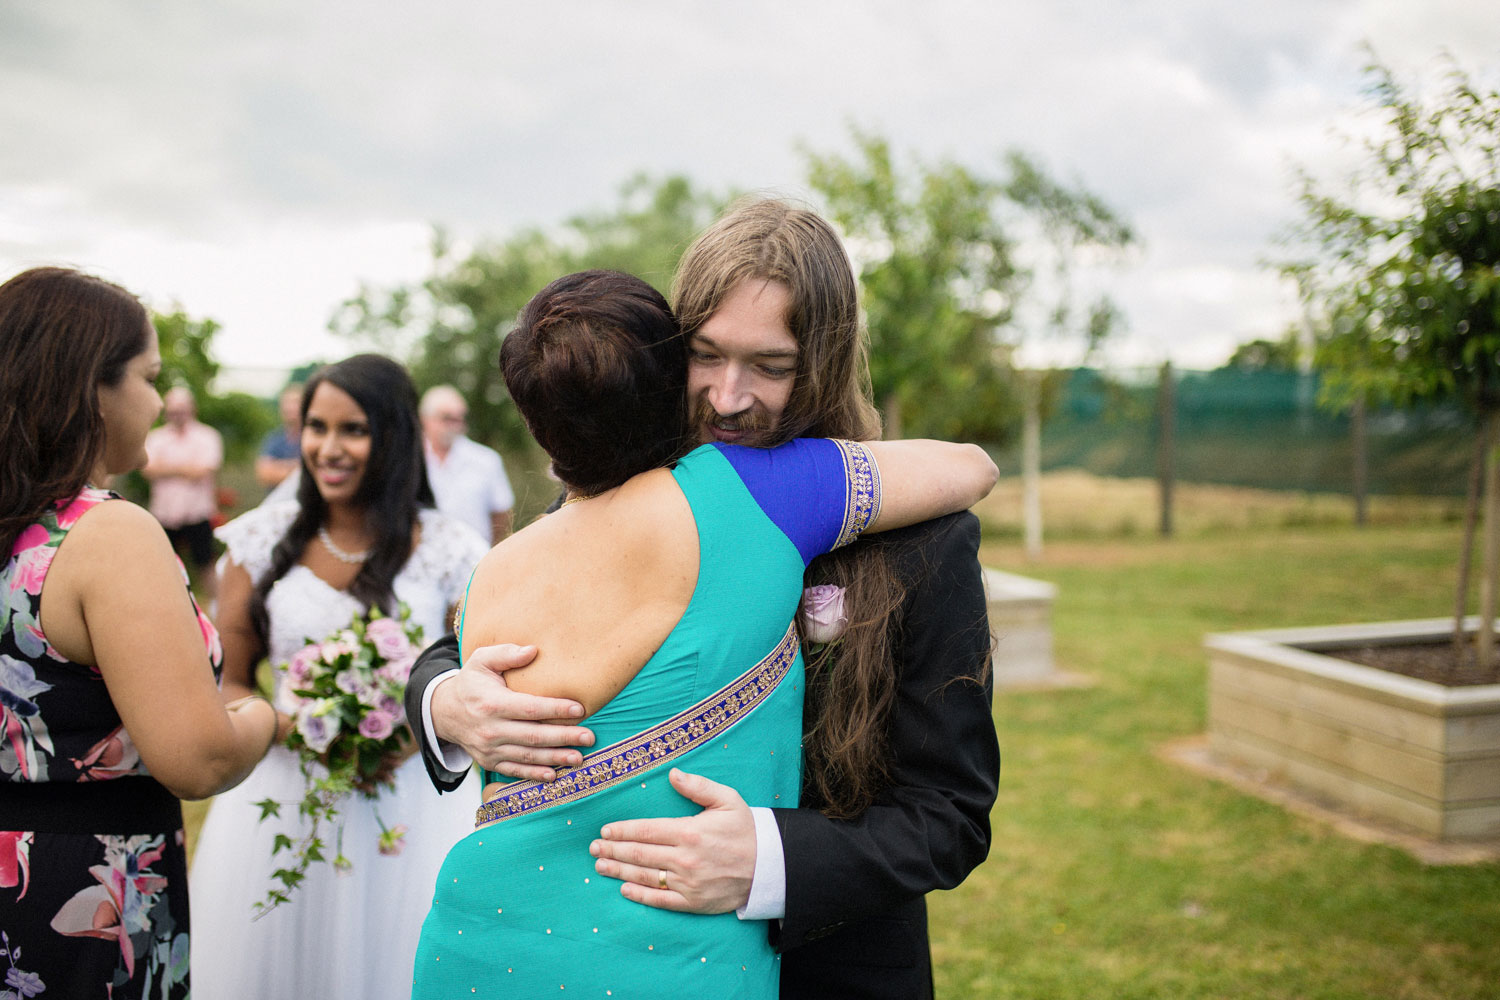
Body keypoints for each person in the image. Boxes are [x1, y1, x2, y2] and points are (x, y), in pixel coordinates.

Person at [405, 199, 1000, 999]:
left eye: (771, 365)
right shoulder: (625, 491)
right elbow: (488, 623)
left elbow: (950, 813)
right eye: (706, 355)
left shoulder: (924, 538)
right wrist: (449, 702)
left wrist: (771, 861)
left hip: (834, 973)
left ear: (822, 360)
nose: (727, 397)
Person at [0, 267, 278, 1000]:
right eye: (149, 377)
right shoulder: (106, 535)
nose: (158, 401)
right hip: (78, 893)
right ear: (93, 385)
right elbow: (197, 761)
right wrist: (264, 716)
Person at [187, 355, 489, 1000]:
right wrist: (297, 728)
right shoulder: (257, 543)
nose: (327, 447)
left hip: (413, 798)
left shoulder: (450, 549)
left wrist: (413, 734)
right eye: (316, 428)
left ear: (393, 436)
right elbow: (232, 685)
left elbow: (474, 680)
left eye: (351, 429)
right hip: (286, 794)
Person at [143, 385, 224, 606]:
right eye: (174, 409)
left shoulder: (208, 436)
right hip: (165, 514)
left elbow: (203, 471)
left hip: (197, 513)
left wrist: (166, 468)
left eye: (182, 409)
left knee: (206, 565)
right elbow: (148, 469)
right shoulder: (156, 438)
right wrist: (185, 469)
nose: (178, 414)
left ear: (192, 409)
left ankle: (217, 610)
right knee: (163, 568)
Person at [419, 384, 515, 543]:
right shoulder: (409, 459)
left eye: (460, 418)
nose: (455, 425)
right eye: (447, 418)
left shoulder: (486, 459)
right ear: (425, 419)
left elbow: (502, 513)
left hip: (475, 560)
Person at [255, 383, 303, 493]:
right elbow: (264, 474)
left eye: (295, 402)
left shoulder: (313, 437)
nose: (290, 407)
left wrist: (279, 466)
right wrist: (297, 467)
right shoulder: (273, 438)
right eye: (286, 403)